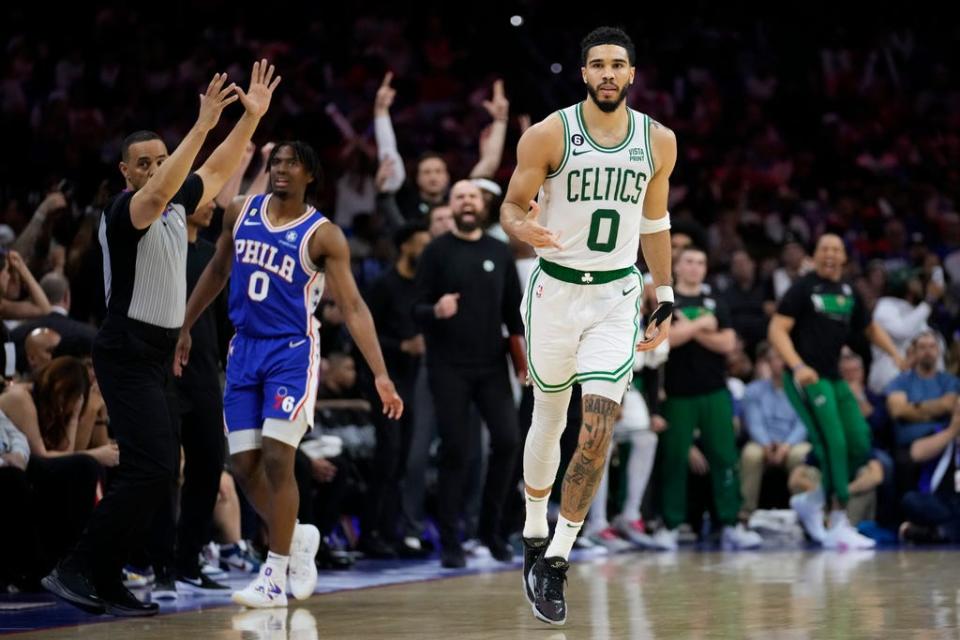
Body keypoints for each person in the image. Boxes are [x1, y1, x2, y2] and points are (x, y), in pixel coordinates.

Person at [42, 62, 279, 617]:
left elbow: (217, 174)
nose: (154, 169)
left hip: (155, 355)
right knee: (149, 469)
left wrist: (249, 118)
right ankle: (74, 567)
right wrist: (201, 126)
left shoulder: (175, 207)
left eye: (159, 159)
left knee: (154, 472)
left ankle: (103, 575)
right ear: (126, 173)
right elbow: (181, 174)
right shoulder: (129, 210)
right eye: (143, 163)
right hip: (125, 350)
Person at [175, 140, 403, 608]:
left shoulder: (323, 235)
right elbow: (218, 270)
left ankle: (274, 574)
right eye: (276, 162)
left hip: (292, 351)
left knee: (280, 459)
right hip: (243, 349)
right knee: (243, 465)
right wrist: (184, 325)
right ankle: (296, 537)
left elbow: (354, 307)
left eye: (291, 164)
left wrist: (379, 373)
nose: (281, 170)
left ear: (310, 175)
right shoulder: (240, 210)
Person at [500, 26, 675, 625]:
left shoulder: (659, 141)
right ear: (583, 74)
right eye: (597, 64)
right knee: (549, 418)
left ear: (631, 74)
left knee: (596, 428)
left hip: (616, 298)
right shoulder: (549, 133)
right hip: (553, 292)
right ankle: (531, 532)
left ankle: (558, 557)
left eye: (617, 64)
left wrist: (666, 292)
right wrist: (523, 228)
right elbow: (508, 206)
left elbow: (655, 222)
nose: (607, 73)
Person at [414, 180, 525, 568]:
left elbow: (514, 315)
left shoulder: (499, 251)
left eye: (472, 197)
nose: (465, 202)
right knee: (456, 450)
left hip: (492, 364)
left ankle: (491, 531)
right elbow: (416, 308)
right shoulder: (435, 252)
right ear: (450, 203)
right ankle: (450, 540)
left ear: (483, 205)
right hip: (448, 366)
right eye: (458, 195)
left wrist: (523, 364)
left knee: (510, 441)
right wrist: (434, 311)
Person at [768, 234, 904, 549]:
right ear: (815, 256)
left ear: (844, 258)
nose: (830, 254)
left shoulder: (848, 291)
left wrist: (895, 354)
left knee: (859, 439)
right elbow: (776, 329)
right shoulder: (803, 288)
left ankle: (812, 499)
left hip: (834, 377)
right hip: (806, 377)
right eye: (824, 249)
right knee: (833, 442)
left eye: (836, 250)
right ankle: (838, 517)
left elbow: (869, 328)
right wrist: (798, 366)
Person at [653, 246, 762, 551]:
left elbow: (728, 343)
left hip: (715, 391)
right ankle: (671, 526)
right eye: (689, 261)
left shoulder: (717, 300)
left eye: (701, 262)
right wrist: (702, 324)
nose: (695, 267)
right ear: (677, 265)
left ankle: (730, 524)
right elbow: (666, 339)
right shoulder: (666, 299)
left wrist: (686, 328)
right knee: (675, 460)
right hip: (678, 393)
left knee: (724, 457)